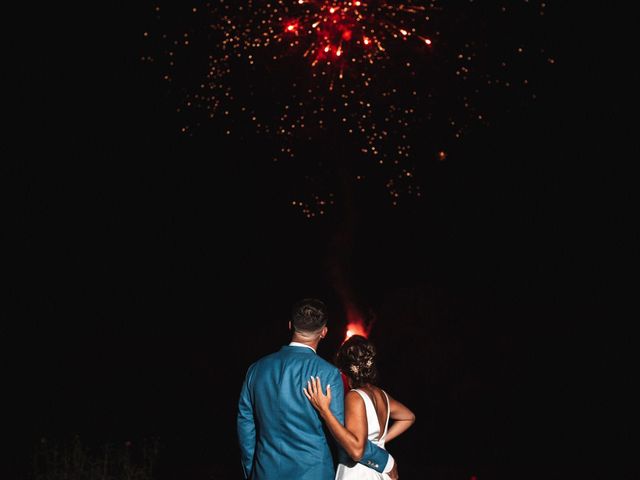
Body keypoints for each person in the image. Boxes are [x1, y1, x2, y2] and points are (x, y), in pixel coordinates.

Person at [237, 299, 397, 480]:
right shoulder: (327, 374)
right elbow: (341, 433)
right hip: (313, 474)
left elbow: (246, 426)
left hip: (265, 472)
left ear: (290, 326)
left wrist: (252, 470)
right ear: (323, 332)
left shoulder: (256, 369)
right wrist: (383, 459)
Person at [304, 334, 415, 479]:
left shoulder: (354, 397)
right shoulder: (381, 394)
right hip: (380, 473)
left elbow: (356, 452)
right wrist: (380, 441)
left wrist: (325, 411)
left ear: (343, 370)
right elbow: (408, 417)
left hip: (360, 473)